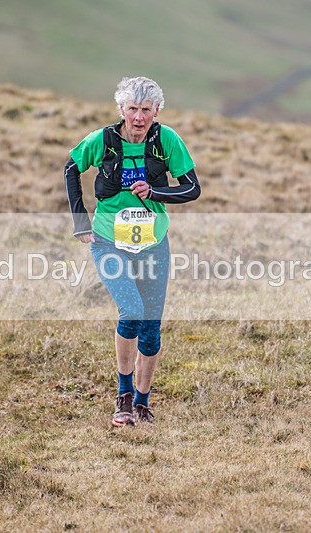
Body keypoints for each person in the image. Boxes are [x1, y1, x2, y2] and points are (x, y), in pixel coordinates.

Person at [64, 76, 201, 426]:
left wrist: (155, 193)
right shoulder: (104, 140)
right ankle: (123, 398)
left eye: (146, 110)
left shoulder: (167, 140)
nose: (138, 117)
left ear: (156, 111)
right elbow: (72, 167)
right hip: (109, 241)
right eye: (132, 109)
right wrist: (80, 221)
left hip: (154, 243)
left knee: (151, 328)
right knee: (132, 310)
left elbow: (191, 189)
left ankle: (142, 402)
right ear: (121, 109)